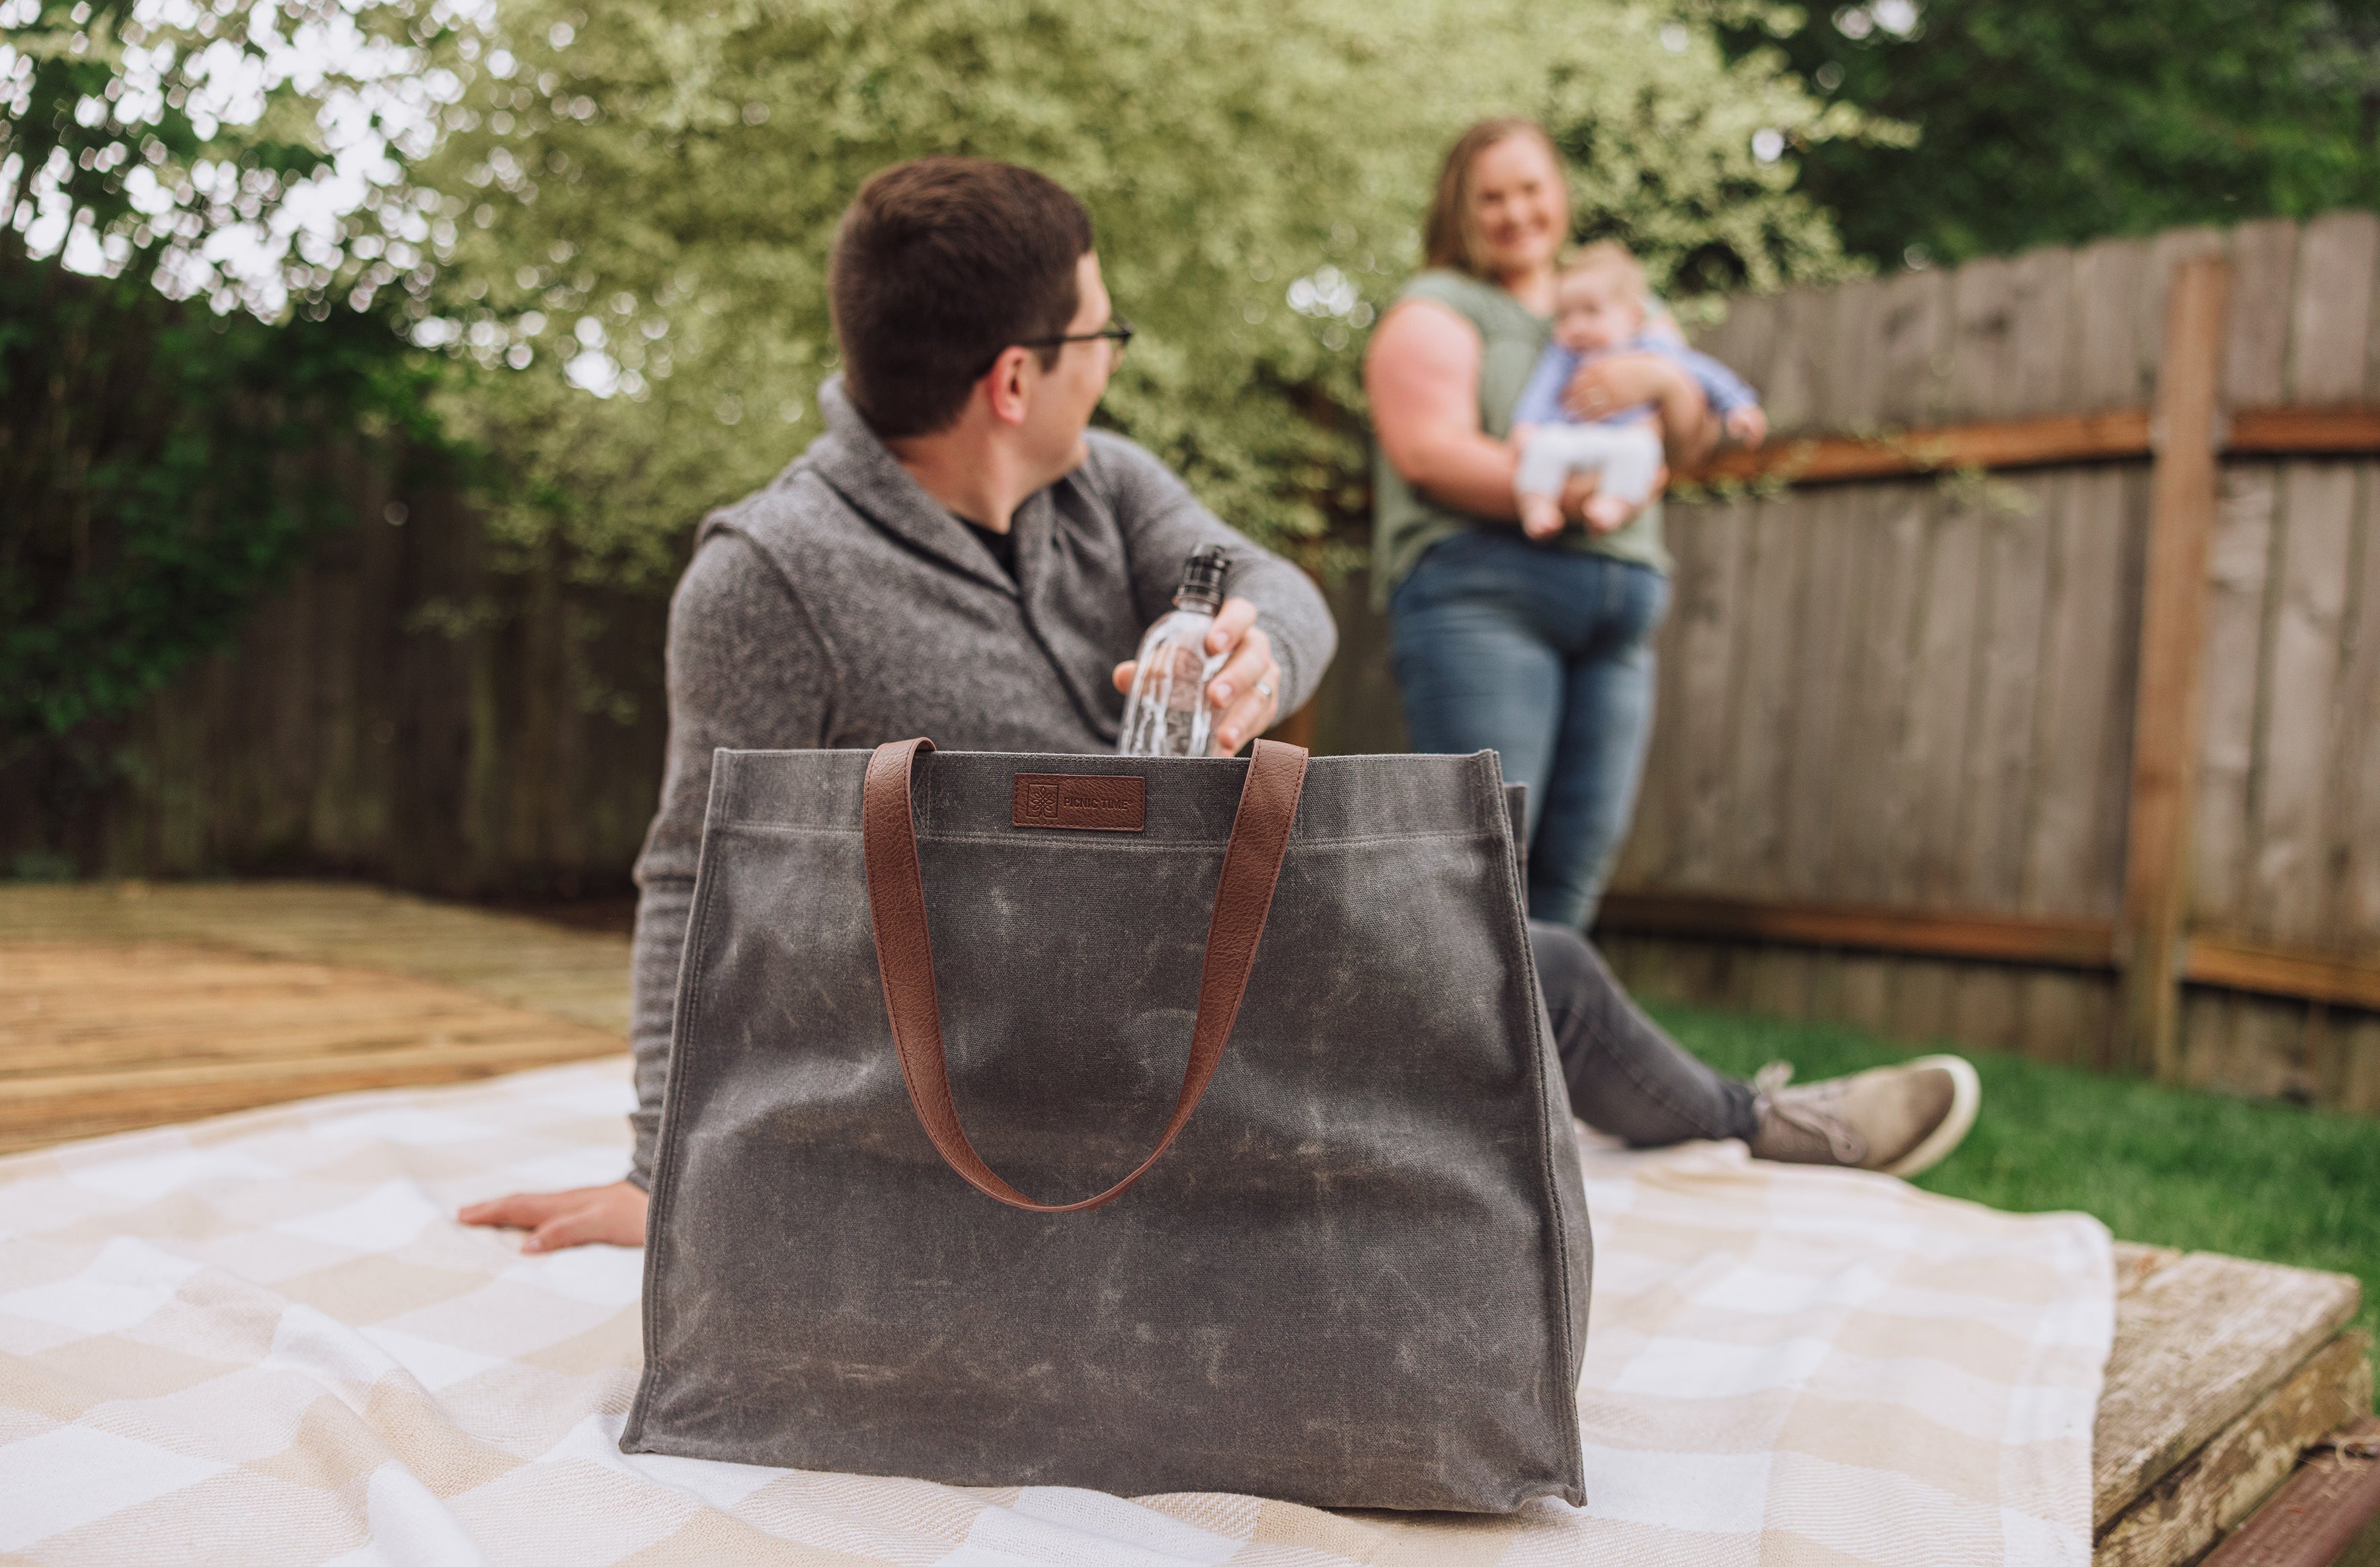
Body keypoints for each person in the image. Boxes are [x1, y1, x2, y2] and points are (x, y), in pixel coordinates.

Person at [461, 157, 1978, 1254]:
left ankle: (1756, 1125)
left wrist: (1263, 648)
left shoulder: (1104, 487)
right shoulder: (765, 578)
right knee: (1513, 991)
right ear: (1014, 379)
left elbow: (1266, 579)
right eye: (1100, 336)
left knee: (1521, 954)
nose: (1111, 365)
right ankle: (1751, 1124)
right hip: (994, 1056)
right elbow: (692, 875)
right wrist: (663, 1170)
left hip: (1194, 951)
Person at [1368, 118, 1703, 932]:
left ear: (1561, 192)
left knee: (1572, 880)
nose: (1516, 213)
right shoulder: (1437, 308)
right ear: (1459, 209)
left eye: (1531, 189)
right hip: (1485, 598)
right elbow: (1430, 453)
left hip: (1618, 618)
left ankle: (1547, 1023)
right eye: (1492, 197)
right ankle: (1452, 1023)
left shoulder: (1621, 303)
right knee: (1484, 868)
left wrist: (1667, 382)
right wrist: (1578, 491)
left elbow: (1689, 440)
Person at [1513, 242, 1768, 538]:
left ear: (1633, 317)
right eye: (1565, 315)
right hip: (1571, 436)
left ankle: (1614, 505)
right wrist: (1526, 425)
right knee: (1544, 445)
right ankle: (1537, 505)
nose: (1576, 325)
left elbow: (1702, 372)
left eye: (1591, 311)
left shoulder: (1651, 348)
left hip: (1625, 437)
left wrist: (1738, 405)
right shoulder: (1562, 356)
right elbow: (1540, 392)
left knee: (1643, 450)